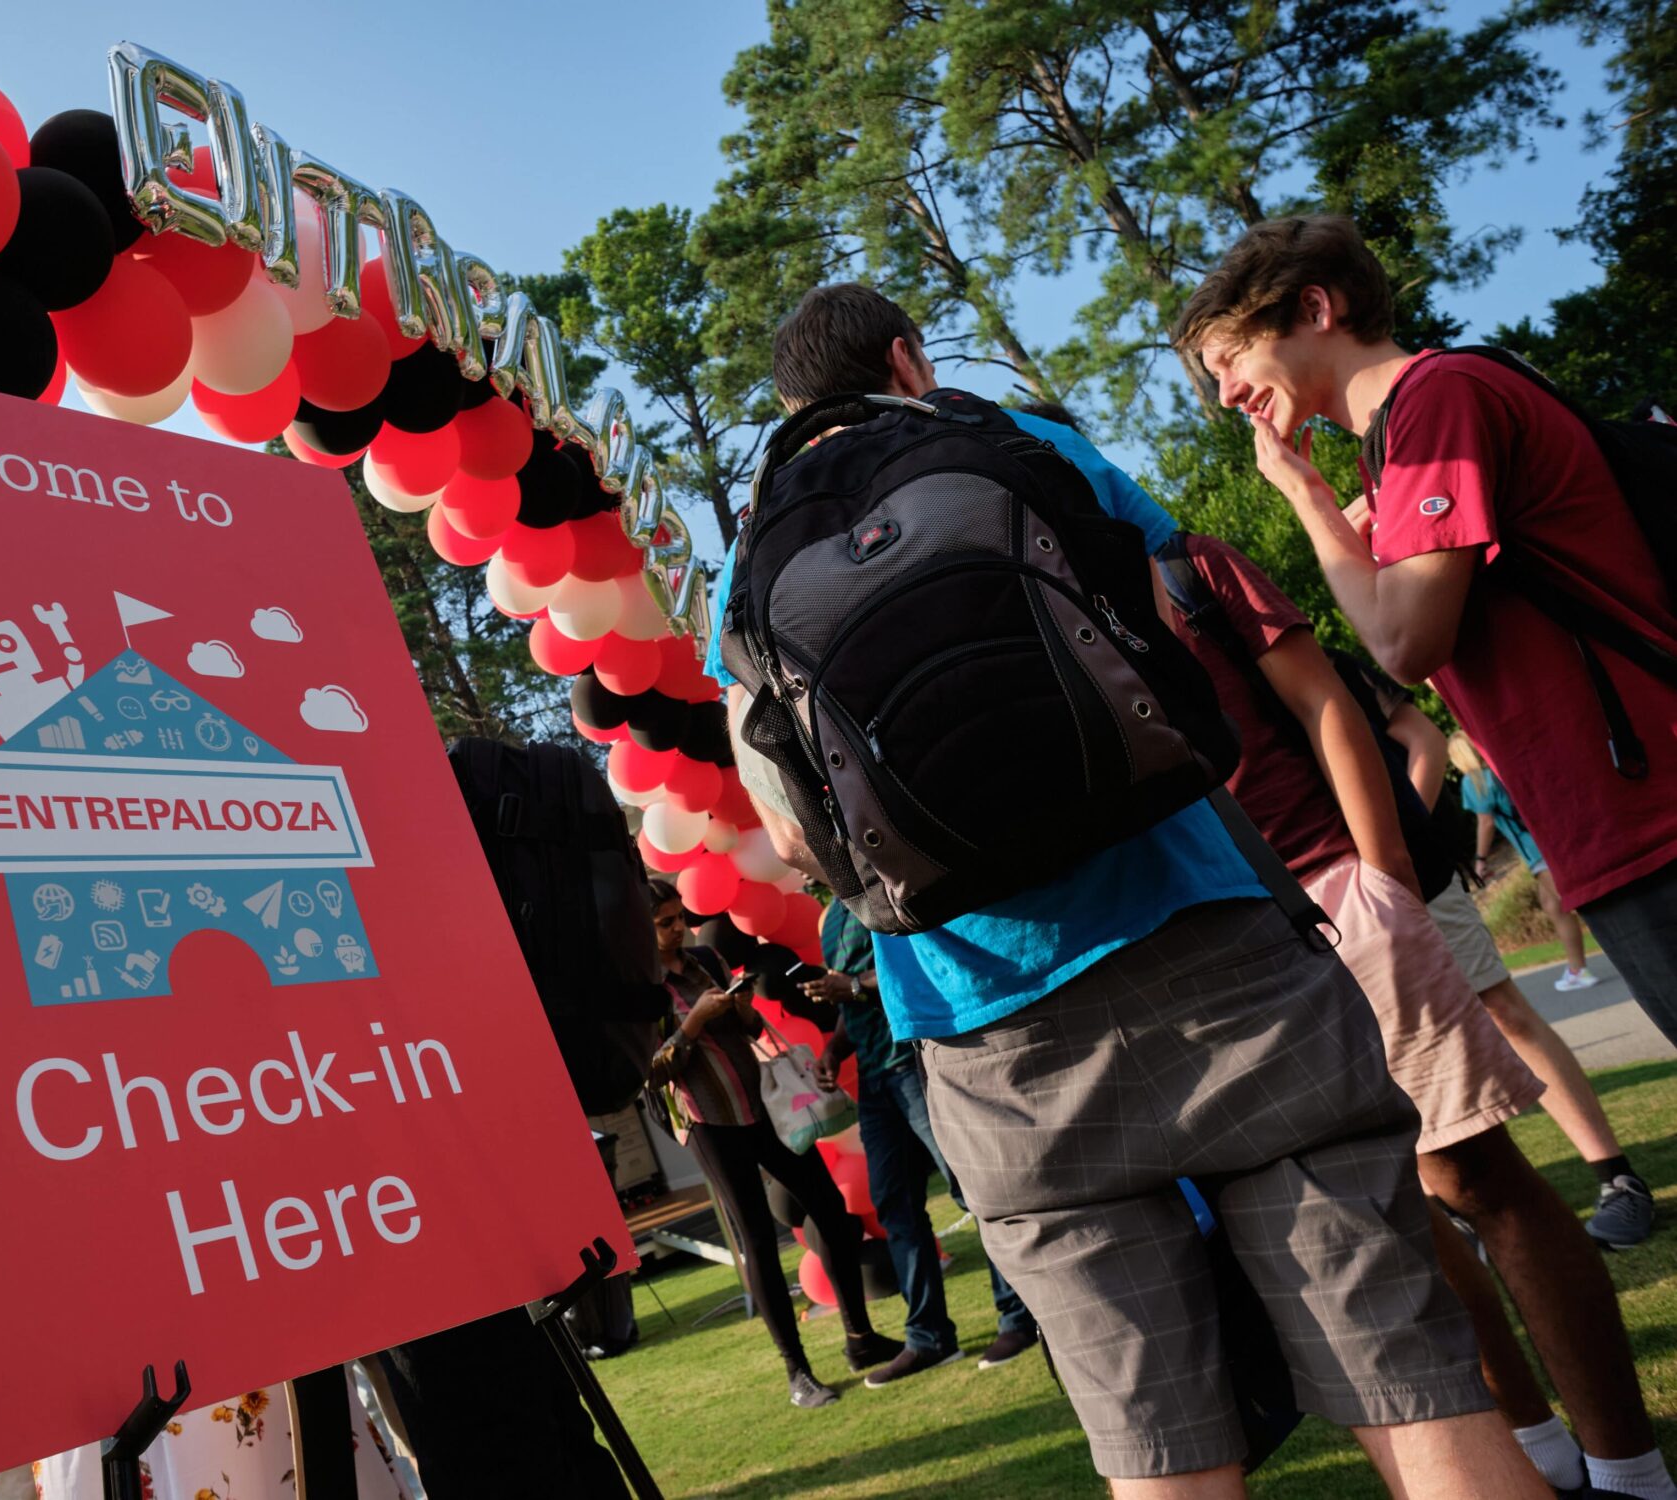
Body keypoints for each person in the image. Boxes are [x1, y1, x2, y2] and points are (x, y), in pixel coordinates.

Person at [713, 281, 1544, 1497]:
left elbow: (793, 839)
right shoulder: (1012, 444)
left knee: (1159, 1455)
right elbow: (1163, 628)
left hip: (994, 1033)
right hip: (1212, 944)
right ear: (905, 357)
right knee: (1410, 1388)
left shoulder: (744, 576)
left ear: (791, 403)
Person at [1157, 525, 1665, 1493]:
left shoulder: (1184, 561)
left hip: (1331, 891)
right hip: (1219, 944)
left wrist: (1381, 881)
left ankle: (1630, 1470)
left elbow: (1329, 706)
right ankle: (1539, 1451)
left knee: (1476, 1180)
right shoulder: (1031, 605)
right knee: (1395, 1217)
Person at [1177, 213, 1677, 1070]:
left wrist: (1310, 502)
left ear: (1315, 307)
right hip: (1612, 811)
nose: (1226, 396)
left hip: (1648, 806)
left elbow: (1403, 643)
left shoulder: (1434, 401)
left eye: (1231, 360)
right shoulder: (1402, 444)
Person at [1351, 664, 1653, 1248]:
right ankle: (1453, 1217)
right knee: (1383, 1052)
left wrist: (1395, 835)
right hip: (1330, 902)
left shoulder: (1329, 664)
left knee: (1503, 1011)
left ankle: (1618, 1179)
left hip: (1413, 872)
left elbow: (1427, 740)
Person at [645, 879, 902, 1407]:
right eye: (665, 923)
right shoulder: (640, 988)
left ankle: (860, 1337)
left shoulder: (704, 960)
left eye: (679, 918)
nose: (678, 929)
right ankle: (798, 1373)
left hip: (762, 1104)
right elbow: (651, 1070)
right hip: (708, 1121)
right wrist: (693, 1023)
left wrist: (738, 1008)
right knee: (758, 1238)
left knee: (829, 1207)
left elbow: (752, 1030)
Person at [804, 897, 1040, 1377]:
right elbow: (854, 1004)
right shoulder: (830, 919)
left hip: (919, 1060)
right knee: (896, 1208)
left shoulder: (881, 892)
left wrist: (852, 985)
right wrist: (833, 1048)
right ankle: (929, 1339)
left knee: (971, 1190)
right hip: (874, 1079)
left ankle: (1021, 1317)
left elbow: (923, 964)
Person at [1450, 734, 1604, 992]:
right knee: (1553, 905)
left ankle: (1626, 947)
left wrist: (1480, 860)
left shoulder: (1474, 781)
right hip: (1546, 842)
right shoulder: (1500, 768)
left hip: (1538, 850)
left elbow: (1485, 822)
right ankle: (1577, 969)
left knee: (1577, 902)